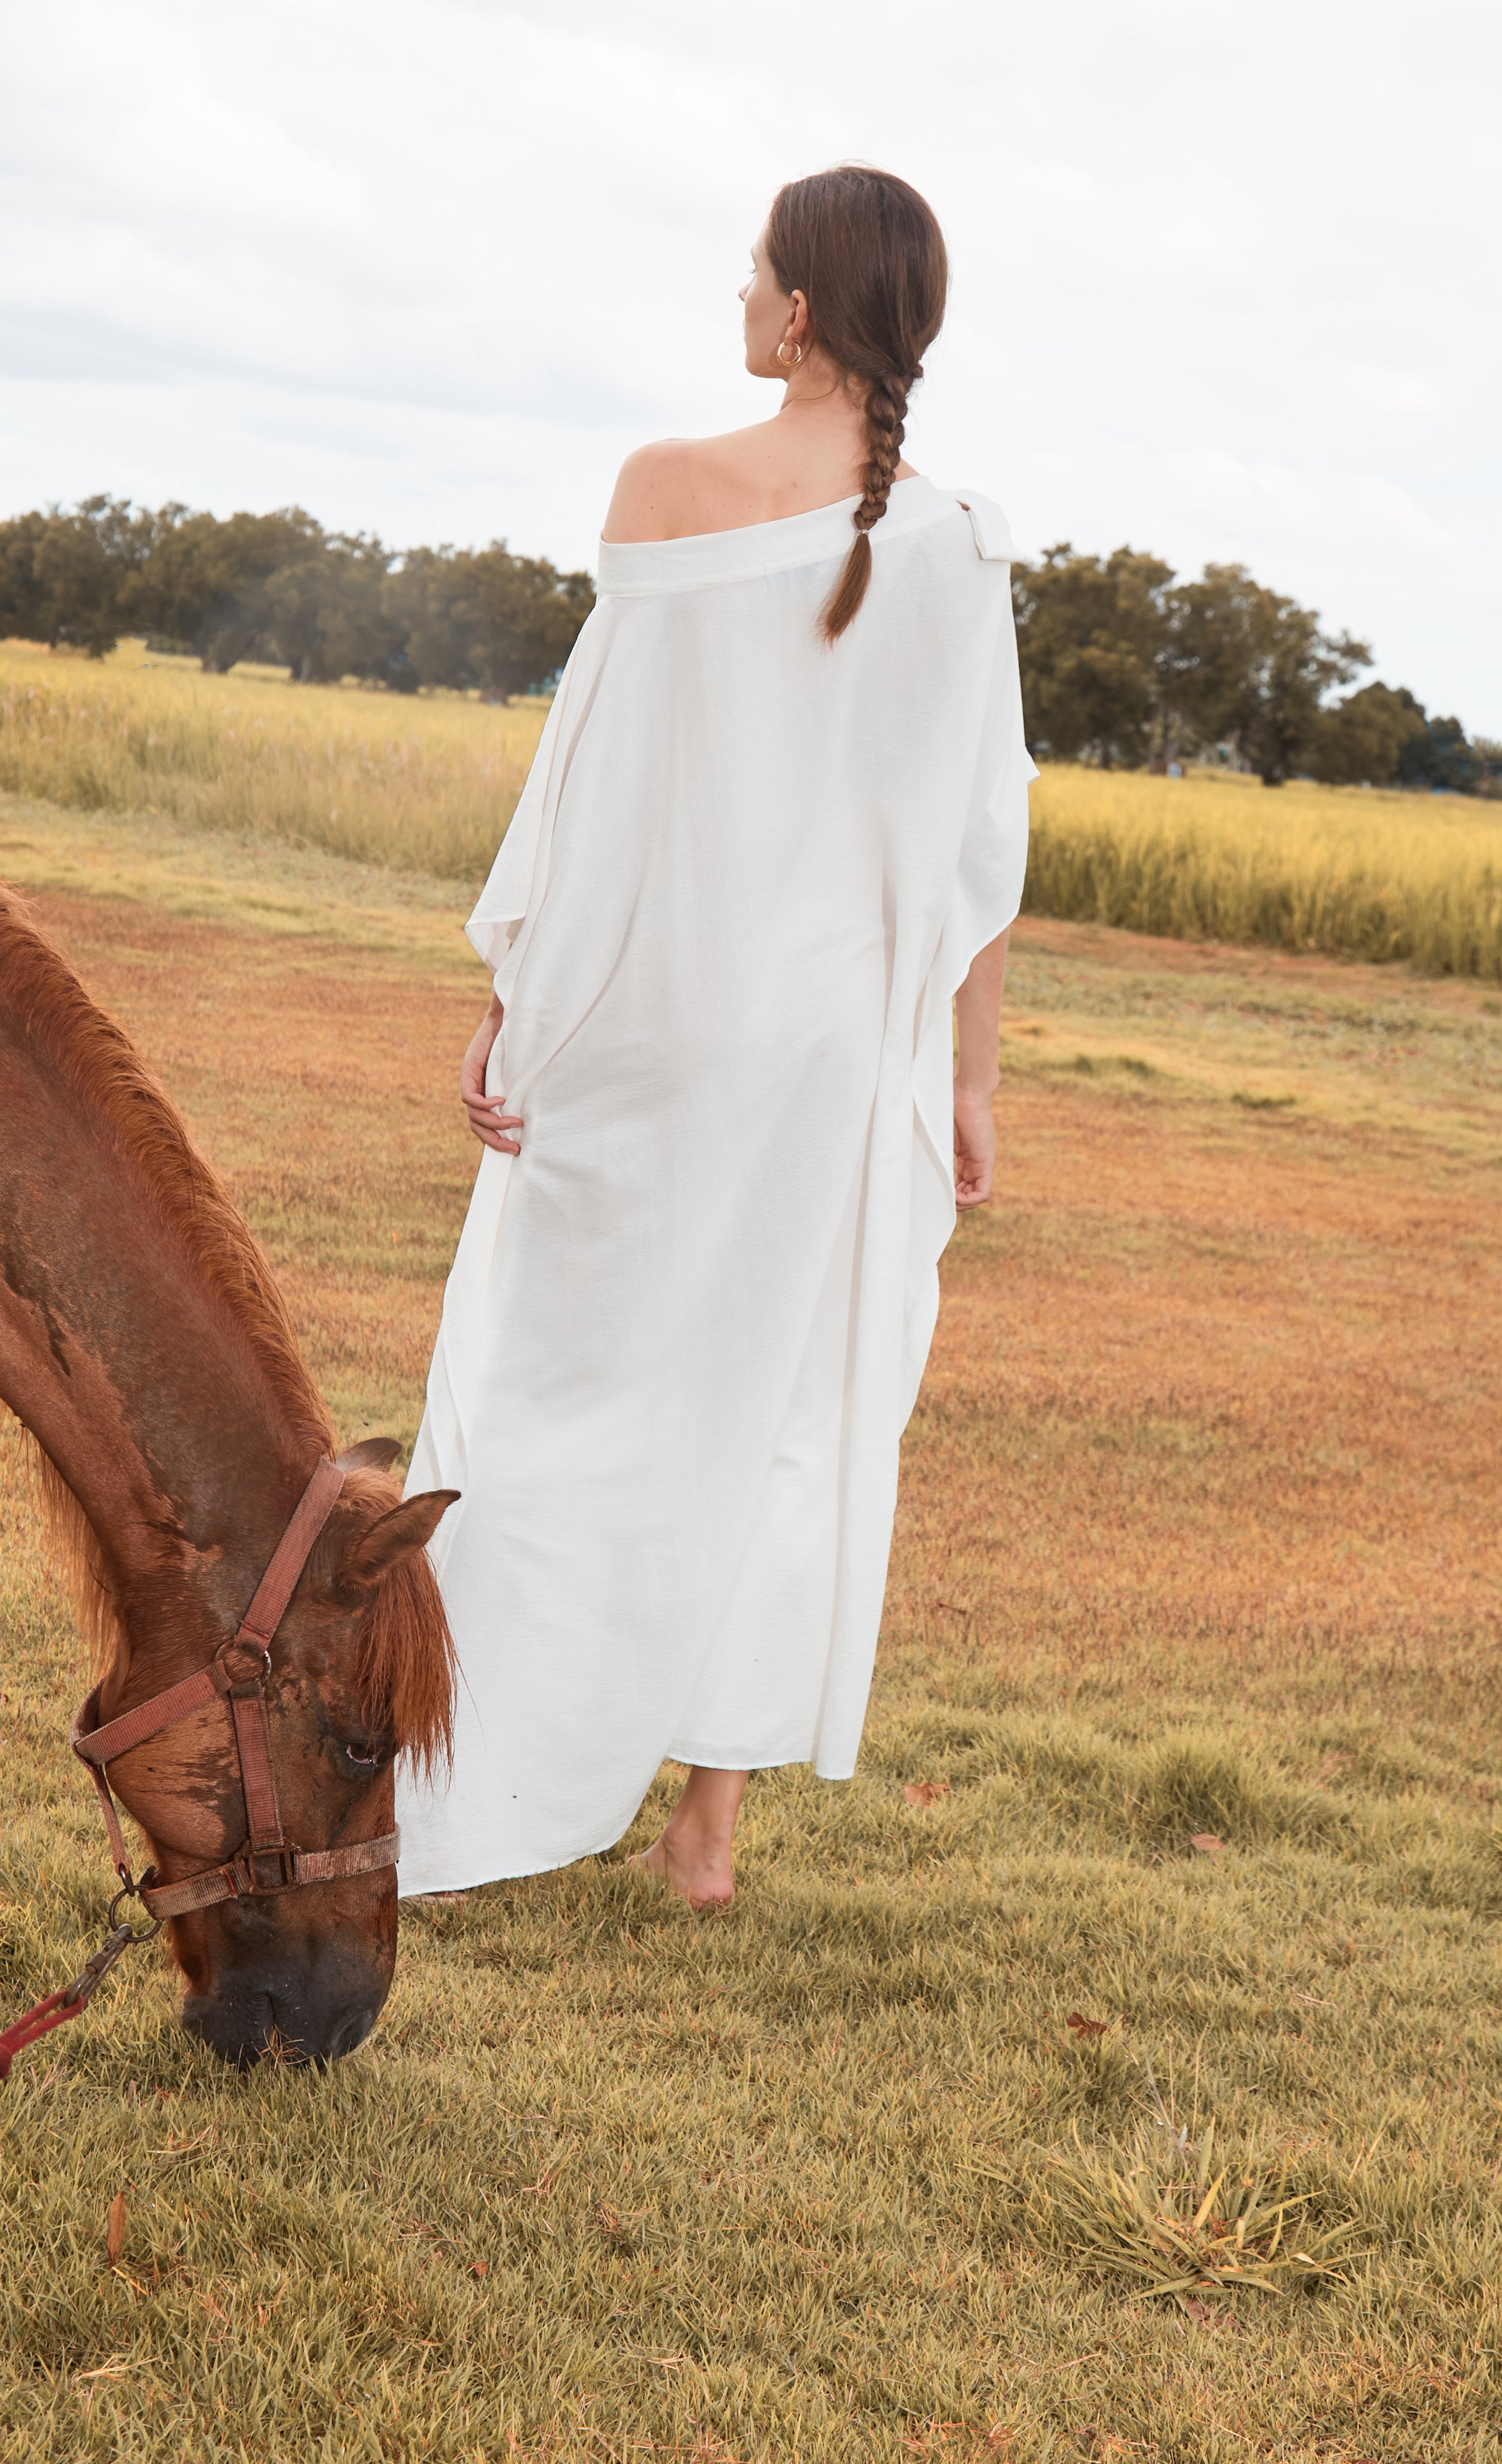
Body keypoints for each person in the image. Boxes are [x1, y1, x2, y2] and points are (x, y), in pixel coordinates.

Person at [395, 165, 1033, 1910]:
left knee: (555, 1376)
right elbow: (981, 856)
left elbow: (598, 796)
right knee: (784, 1409)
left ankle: (467, 1741)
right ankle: (705, 1833)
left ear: (805, 311)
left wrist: (514, 1003)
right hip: (835, 1061)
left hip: (656, 1028)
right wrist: (968, 1076)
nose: (734, 302)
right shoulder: (966, 546)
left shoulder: (668, 489)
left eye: (750, 276)